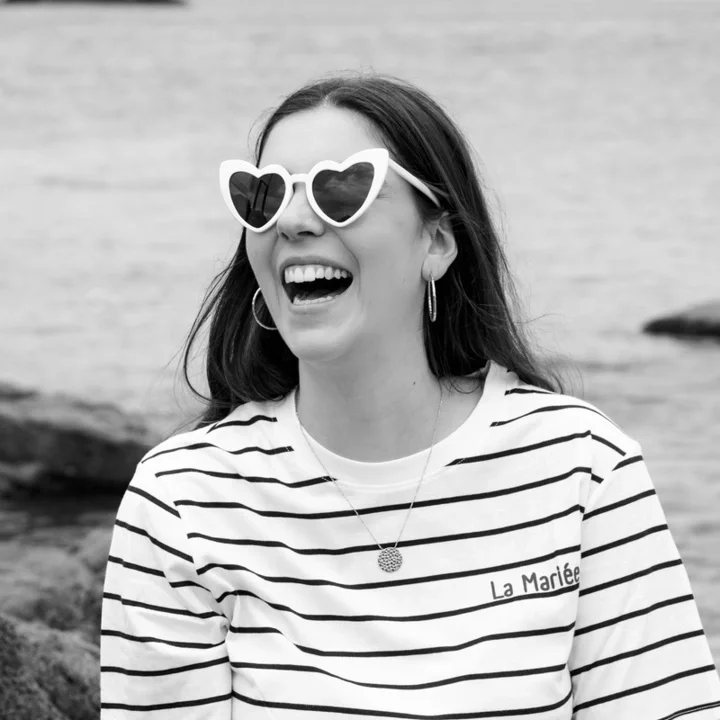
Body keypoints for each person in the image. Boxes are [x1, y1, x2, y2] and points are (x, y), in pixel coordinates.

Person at [100, 73, 720, 719]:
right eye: (265, 196)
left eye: (342, 189)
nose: (294, 221)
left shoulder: (584, 468)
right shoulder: (181, 500)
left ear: (438, 241)